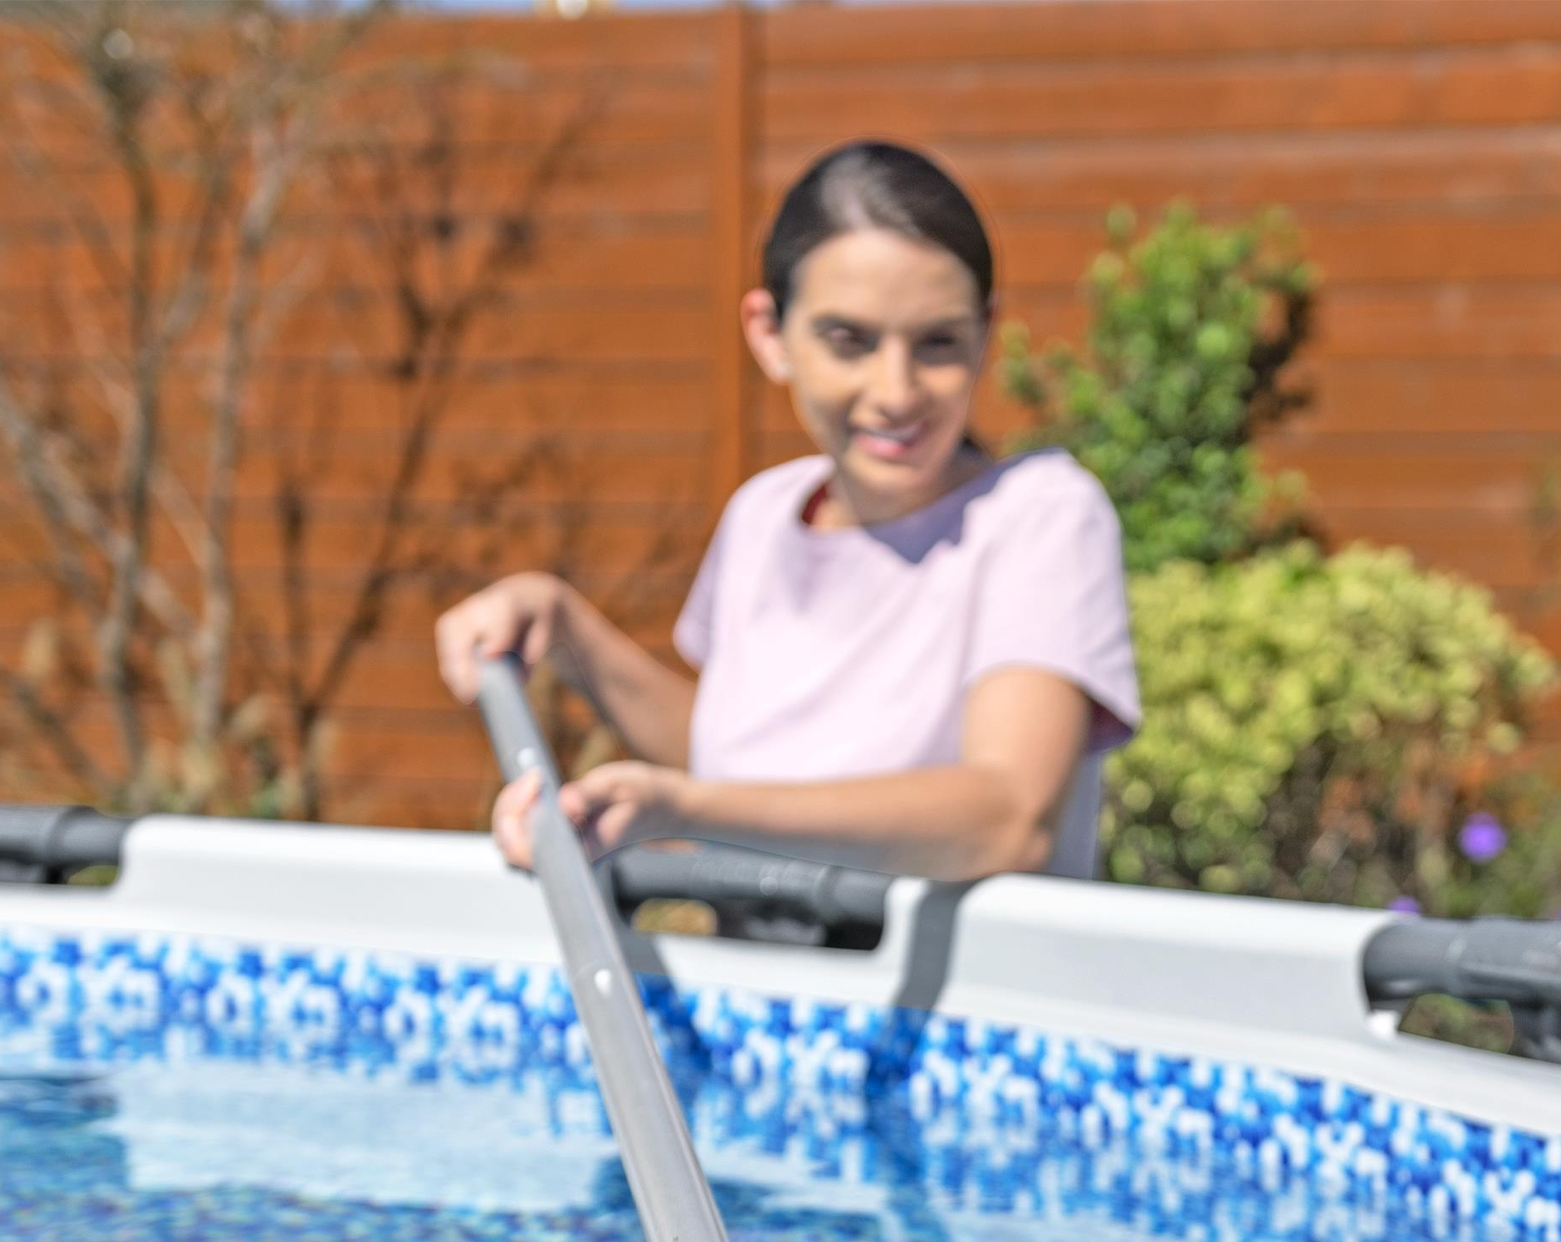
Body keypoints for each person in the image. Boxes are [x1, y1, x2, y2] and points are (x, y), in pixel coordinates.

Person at [434, 141, 1138, 881]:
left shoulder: (1041, 516)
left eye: (938, 343)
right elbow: (734, 766)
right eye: (849, 341)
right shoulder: (762, 516)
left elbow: (1009, 820)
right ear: (770, 335)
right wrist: (566, 629)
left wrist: (683, 808)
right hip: (753, 955)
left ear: (986, 334)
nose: (896, 391)